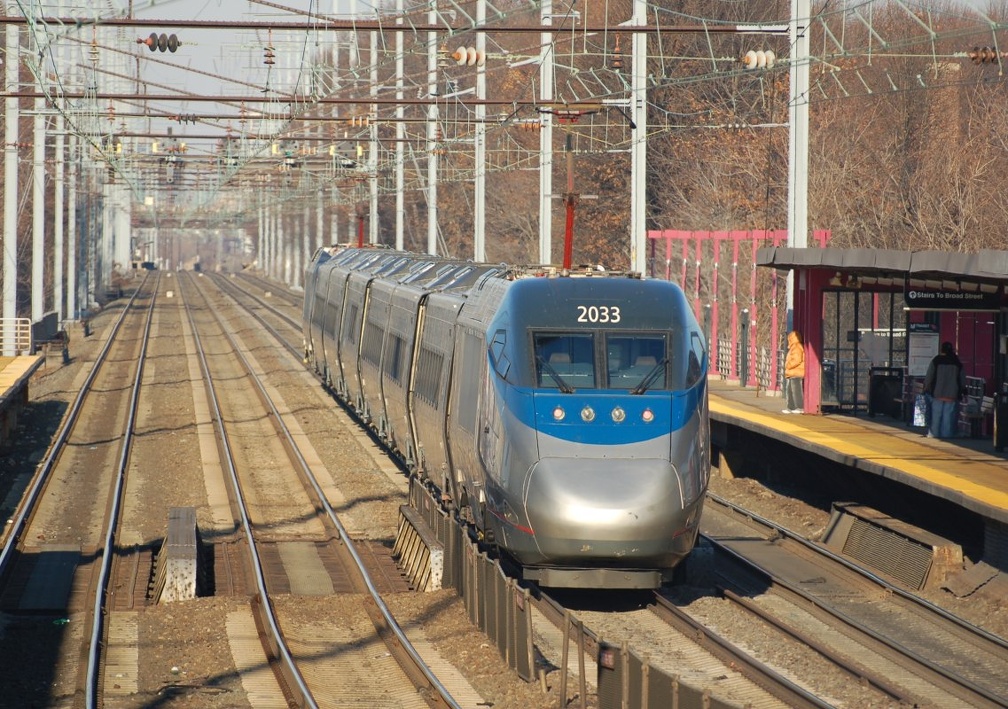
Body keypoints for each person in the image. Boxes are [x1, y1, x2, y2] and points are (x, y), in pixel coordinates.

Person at [924, 341, 965, 439]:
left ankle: (934, 434)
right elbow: (962, 379)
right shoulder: (957, 362)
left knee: (936, 416)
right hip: (952, 394)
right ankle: (946, 435)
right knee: (948, 417)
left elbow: (929, 376)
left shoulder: (936, 360)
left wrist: (926, 388)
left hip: (937, 393)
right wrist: (962, 390)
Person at [782, 330, 805, 414]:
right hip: (792, 372)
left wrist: (788, 366)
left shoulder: (797, 347)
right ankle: (791, 407)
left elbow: (797, 360)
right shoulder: (795, 347)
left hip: (796, 372)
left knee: (796, 390)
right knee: (790, 390)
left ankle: (799, 407)